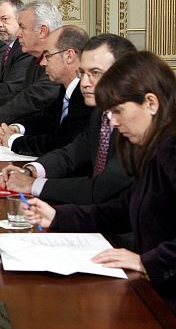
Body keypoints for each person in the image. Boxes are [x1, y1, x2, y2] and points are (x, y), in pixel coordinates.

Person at [23, 51, 176, 312]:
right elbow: (125, 209)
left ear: (151, 102)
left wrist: (147, 262)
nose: (113, 122)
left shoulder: (171, 148)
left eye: (118, 111)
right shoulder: (153, 146)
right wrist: (58, 217)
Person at [0, 34, 137, 204]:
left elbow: (102, 189)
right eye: (82, 73)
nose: (84, 83)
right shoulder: (101, 115)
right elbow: (71, 155)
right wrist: (31, 170)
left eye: (95, 73)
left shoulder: (136, 126)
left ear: (124, 74)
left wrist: (32, 185)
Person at [0, 25, 92, 157]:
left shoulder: (86, 96)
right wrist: (17, 128)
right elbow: (46, 119)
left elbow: (61, 142)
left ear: (69, 56)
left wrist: (13, 141)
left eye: (48, 56)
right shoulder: (66, 88)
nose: (42, 63)